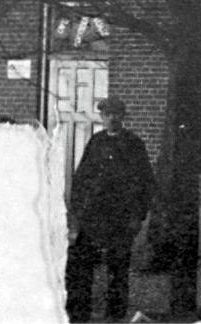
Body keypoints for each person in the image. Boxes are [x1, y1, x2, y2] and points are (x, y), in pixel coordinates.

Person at [66, 96, 154, 323]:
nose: (112, 118)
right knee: (81, 264)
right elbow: (81, 178)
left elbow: (145, 183)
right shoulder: (96, 142)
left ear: (123, 117)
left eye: (116, 114)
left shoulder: (134, 144)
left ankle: (114, 315)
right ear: (102, 118)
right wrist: (77, 211)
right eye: (107, 114)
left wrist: (137, 216)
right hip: (93, 216)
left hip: (120, 218)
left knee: (117, 268)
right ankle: (80, 313)